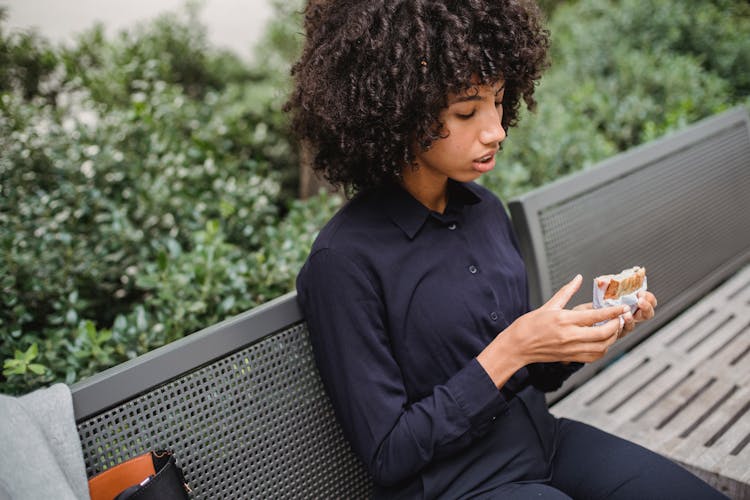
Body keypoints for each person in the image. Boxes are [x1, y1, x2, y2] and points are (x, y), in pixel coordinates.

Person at [286, 1, 728, 498]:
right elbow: (390, 452)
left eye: (497, 101)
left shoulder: (484, 209)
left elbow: (528, 370)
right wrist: (510, 350)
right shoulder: (343, 262)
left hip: (544, 445)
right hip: (461, 487)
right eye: (466, 111)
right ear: (398, 111)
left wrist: (584, 330)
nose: (495, 129)